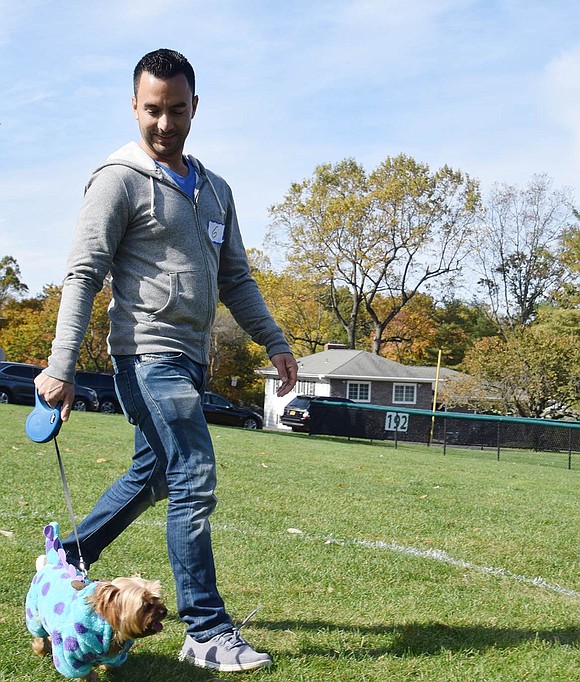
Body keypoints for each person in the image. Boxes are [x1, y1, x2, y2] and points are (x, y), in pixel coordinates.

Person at [35, 48, 298, 673]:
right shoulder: (116, 180)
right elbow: (83, 274)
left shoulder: (216, 191)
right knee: (193, 474)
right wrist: (61, 363)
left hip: (191, 359)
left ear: (195, 107)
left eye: (176, 111)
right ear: (134, 106)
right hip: (146, 355)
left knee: (156, 473)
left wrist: (276, 339)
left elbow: (236, 278)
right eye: (152, 110)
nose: (164, 124)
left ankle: (65, 561)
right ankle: (205, 629)